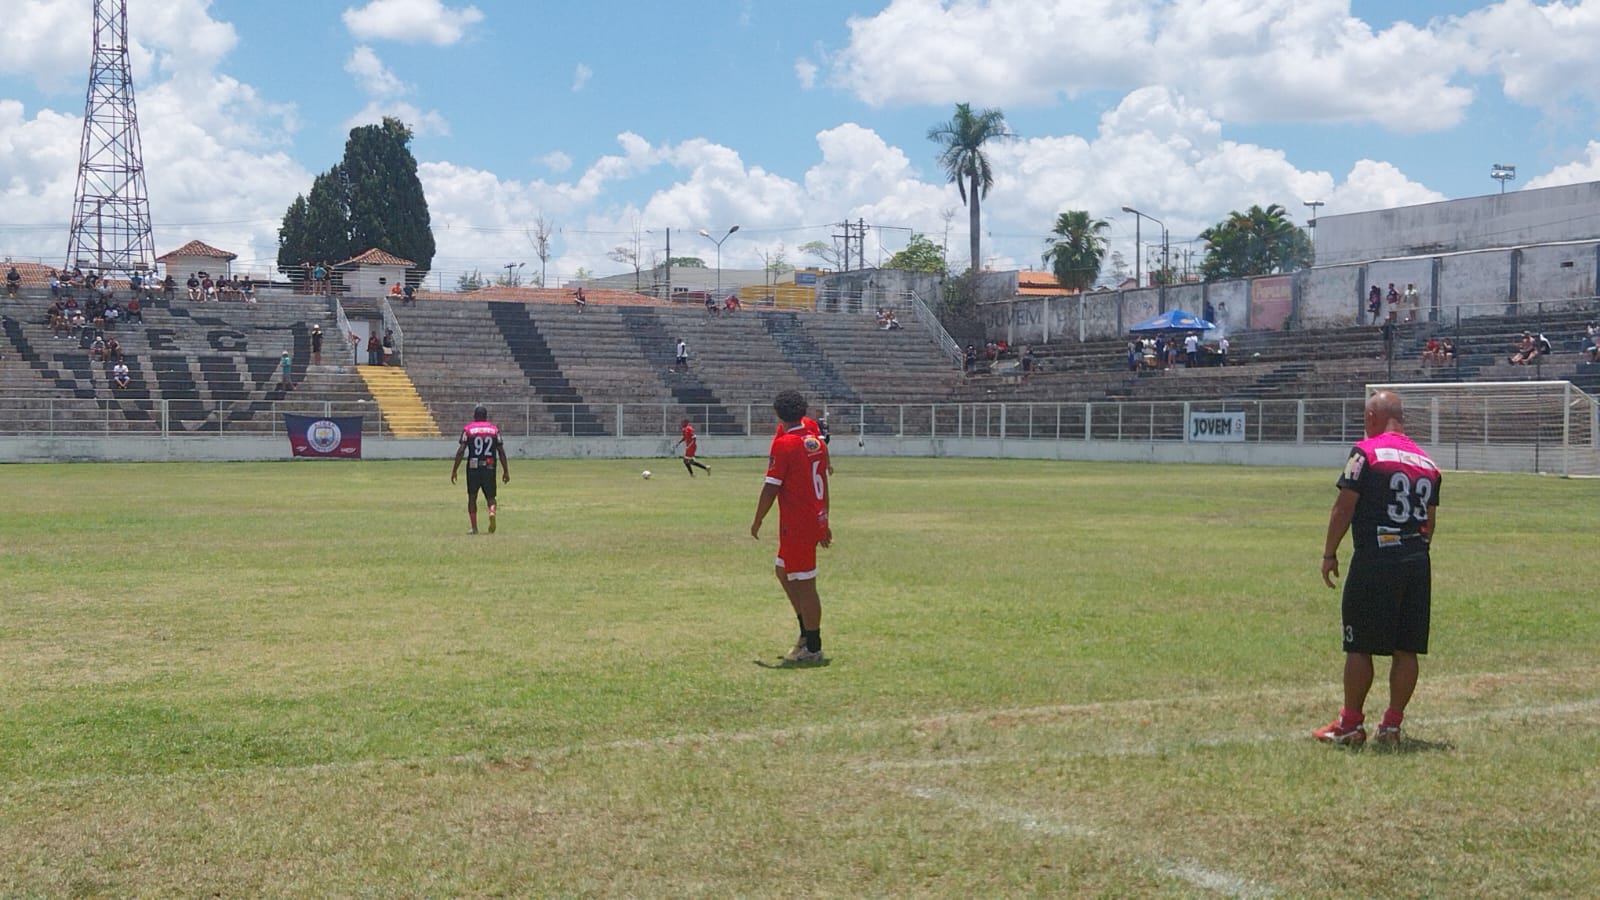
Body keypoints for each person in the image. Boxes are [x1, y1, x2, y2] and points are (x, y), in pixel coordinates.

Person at [1315, 390, 1441, 747]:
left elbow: (1344, 505)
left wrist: (1329, 553)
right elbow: (1429, 522)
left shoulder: (1365, 452)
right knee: (1407, 648)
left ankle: (1350, 724)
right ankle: (1392, 727)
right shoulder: (1428, 463)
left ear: (1372, 417)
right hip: (1417, 560)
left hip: (1376, 557)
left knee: (1359, 645)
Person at [750, 390, 832, 665]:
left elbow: (771, 487)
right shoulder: (815, 442)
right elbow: (823, 482)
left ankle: (813, 646)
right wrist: (824, 519)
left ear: (778, 414)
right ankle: (805, 632)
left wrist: (758, 518)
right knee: (783, 570)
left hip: (798, 524)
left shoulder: (785, 444)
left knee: (805, 584)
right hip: (811, 519)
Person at [450, 404, 510, 535]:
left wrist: (454, 469)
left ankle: (474, 527)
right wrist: (506, 470)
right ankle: (492, 511)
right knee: (491, 496)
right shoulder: (494, 430)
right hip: (489, 465)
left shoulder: (468, 429)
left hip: (473, 466)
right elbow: (501, 451)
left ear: (474, 416)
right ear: (486, 417)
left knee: (472, 497)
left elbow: (461, 450)